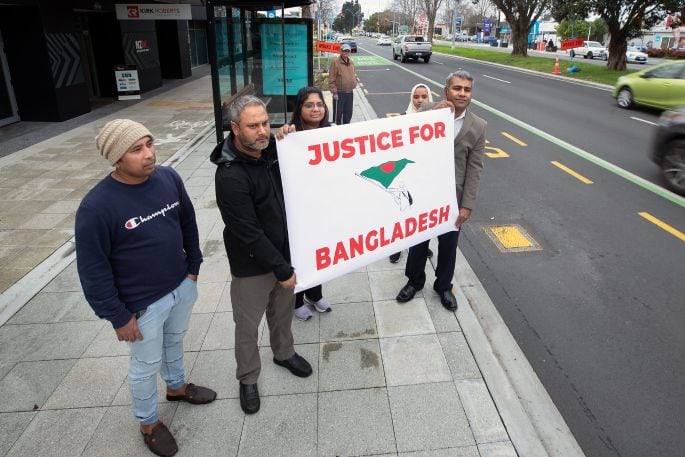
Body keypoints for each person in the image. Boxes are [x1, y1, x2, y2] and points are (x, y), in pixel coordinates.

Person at [76, 119, 216, 457]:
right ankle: (149, 423)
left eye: (149, 144)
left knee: (175, 340)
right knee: (144, 365)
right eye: (137, 149)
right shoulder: (96, 207)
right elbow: (92, 270)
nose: (149, 154)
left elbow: (187, 222)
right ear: (116, 158)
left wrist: (193, 268)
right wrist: (118, 317)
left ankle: (177, 387)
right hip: (141, 304)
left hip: (181, 285)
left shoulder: (168, 177)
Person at [211, 95, 312, 415]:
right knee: (247, 325)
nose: (262, 131)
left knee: (282, 314)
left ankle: (283, 353)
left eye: (266, 123)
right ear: (235, 128)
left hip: (284, 254)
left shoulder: (271, 150)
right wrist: (282, 269)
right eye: (253, 126)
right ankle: (248, 378)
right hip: (252, 265)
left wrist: (285, 137)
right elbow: (249, 233)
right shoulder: (229, 175)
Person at [396, 70, 487, 312]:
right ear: (447, 90)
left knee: (448, 245)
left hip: (453, 200)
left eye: (467, 90)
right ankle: (414, 281)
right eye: (457, 88)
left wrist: (467, 204)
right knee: (418, 241)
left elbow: (475, 168)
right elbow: (404, 143)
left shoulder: (478, 126)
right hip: (424, 193)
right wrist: (432, 115)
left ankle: (443, 286)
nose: (462, 93)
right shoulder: (426, 113)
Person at [275, 86, 334, 321]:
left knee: (319, 253)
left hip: (323, 208)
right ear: (299, 109)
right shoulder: (289, 137)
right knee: (299, 256)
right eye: (309, 105)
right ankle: (296, 300)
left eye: (319, 104)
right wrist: (281, 136)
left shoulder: (333, 133)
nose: (316, 109)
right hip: (297, 212)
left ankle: (315, 294)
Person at [389, 83, 434, 264]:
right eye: (416, 96)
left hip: (425, 176)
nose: (420, 100)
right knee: (402, 211)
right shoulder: (403, 118)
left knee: (422, 216)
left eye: (424, 96)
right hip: (405, 176)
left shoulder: (436, 120)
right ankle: (396, 248)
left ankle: (421, 246)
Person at [329, 43, 357, 125]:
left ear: (350, 52)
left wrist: (355, 80)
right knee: (338, 114)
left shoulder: (351, 62)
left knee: (348, 113)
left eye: (348, 51)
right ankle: (336, 131)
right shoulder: (335, 63)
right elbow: (331, 78)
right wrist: (334, 92)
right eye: (344, 50)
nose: (346, 52)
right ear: (341, 51)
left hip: (350, 92)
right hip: (339, 93)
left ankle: (346, 129)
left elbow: (353, 74)